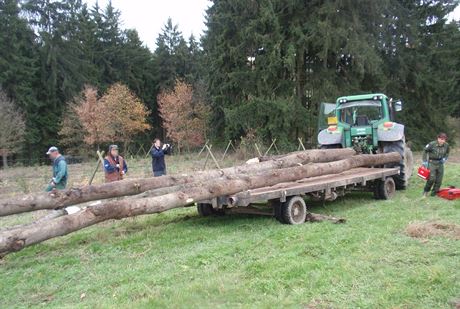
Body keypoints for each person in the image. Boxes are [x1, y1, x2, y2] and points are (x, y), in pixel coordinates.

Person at [422, 133, 450, 197]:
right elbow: (425, 151)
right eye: (441, 139)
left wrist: (445, 158)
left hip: (440, 163)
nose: (442, 141)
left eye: (444, 139)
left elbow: (447, 152)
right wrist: (425, 161)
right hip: (432, 163)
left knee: (439, 180)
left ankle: (434, 194)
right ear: (438, 138)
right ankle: (426, 191)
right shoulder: (432, 144)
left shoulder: (446, 145)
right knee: (431, 178)